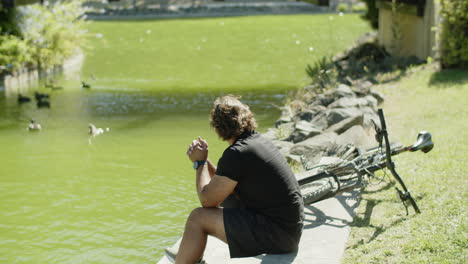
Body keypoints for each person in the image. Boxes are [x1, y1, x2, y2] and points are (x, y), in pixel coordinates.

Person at [168, 95, 304, 264]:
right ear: (247, 117)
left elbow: (207, 200)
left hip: (279, 237)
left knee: (198, 218)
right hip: (287, 232)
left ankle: (185, 258)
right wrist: (206, 160)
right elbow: (224, 183)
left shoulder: (238, 153)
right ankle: (189, 254)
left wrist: (200, 162)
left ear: (218, 128)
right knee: (228, 198)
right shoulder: (255, 142)